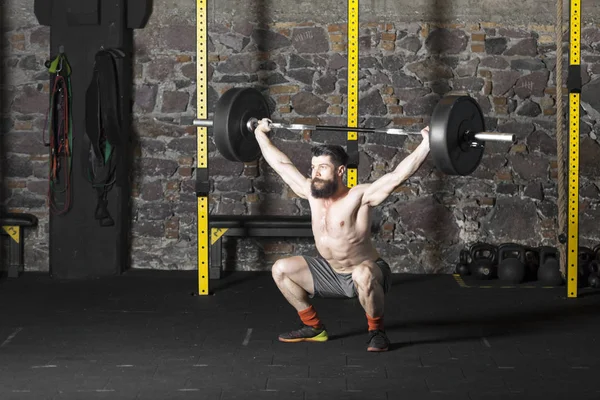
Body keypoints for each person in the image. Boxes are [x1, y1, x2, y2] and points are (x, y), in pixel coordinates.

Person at [253, 118, 430, 352]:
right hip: (330, 272)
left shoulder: (358, 196)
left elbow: (397, 176)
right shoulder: (311, 192)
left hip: (367, 271)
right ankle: (314, 327)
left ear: (340, 171)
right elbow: (282, 164)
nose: (315, 173)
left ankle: (376, 331)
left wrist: (427, 143)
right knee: (280, 269)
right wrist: (259, 135)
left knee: (362, 273)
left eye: (322, 168)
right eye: (313, 167)